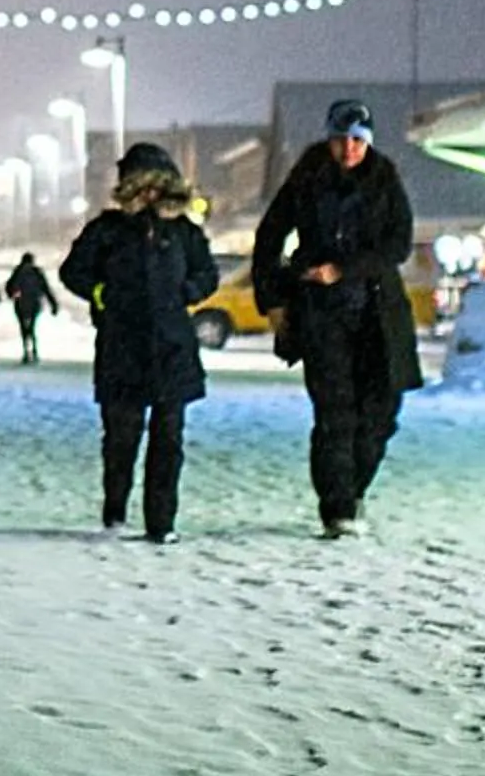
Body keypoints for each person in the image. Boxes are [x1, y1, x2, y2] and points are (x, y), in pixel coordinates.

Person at [252, 98, 421, 539]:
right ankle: (338, 508)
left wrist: (344, 268)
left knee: (382, 411)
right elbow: (269, 234)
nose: (348, 149)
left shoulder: (385, 180)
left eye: (357, 141)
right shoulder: (307, 179)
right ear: (328, 139)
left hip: (378, 313)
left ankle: (353, 489)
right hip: (321, 315)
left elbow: (398, 244)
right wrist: (273, 299)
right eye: (340, 139)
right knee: (336, 413)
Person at [58, 144, 219, 541]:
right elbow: (72, 271)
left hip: (172, 348)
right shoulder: (108, 230)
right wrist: (100, 292)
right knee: (121, 438)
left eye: (157, 187)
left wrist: (189, 290)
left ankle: (161, 522)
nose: (149, 195)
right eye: (141, 187)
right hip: (122, 347)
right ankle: (115, 509)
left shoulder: (184, 233)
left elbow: (208, 273)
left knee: (168, 441)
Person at [3, 250, 58, 362]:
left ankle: (26, 351)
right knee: (32, 326)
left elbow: (9, 286)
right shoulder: (37, 272)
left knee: (24, 327)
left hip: (21, 302)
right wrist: (53, 304)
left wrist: (11, 295)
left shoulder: (18, 271)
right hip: (34, 302)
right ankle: (33, 350)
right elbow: (46, 288)